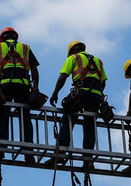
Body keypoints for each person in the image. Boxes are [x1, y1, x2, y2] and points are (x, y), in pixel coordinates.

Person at [45, 40, 107, 168]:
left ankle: (61, 152)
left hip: (81, 93)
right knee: (90, 123)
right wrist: (95, 93)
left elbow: (63, 77)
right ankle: (87, 158)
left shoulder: (74, 58)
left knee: (68, 117)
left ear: (72, 51)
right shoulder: (98, 61)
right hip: (96, 95)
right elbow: (103, 82)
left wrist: (55, 93)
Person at [0, 27, 40, 163]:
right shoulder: (25, 48)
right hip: (22, 86)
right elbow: (34, 70)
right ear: (16, 37)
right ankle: (28, 153)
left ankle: (1, 150)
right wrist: (36, 88)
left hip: (5, 86)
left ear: (2, 38)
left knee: (2, 115)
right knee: (24, 116)